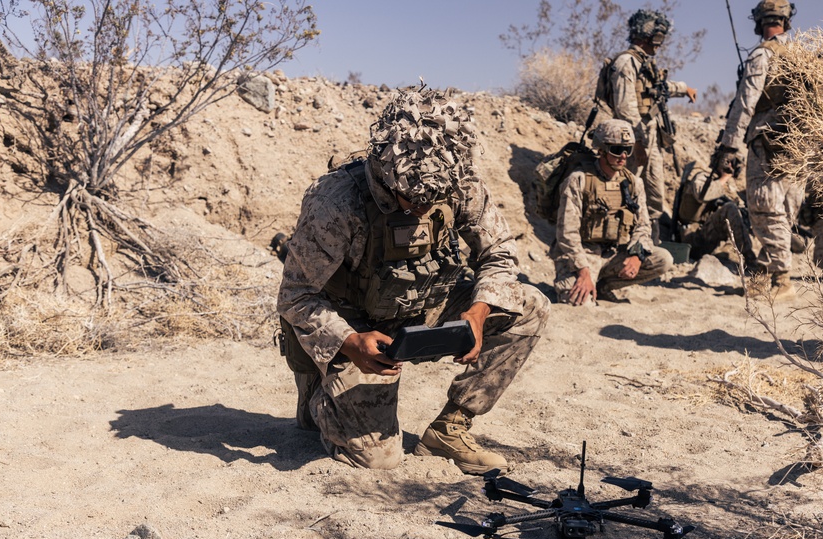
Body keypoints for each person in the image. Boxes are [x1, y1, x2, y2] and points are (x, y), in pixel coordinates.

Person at [276, 88, 549, 475]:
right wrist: (350, 342)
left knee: (530, 306)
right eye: (412, 199)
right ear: (387, 176)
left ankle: (450, 427)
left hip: (424, 308)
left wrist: (478, 310)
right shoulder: (337, 201)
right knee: (378, 461)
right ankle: (318, 386)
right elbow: (295, 296)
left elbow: (501, 253)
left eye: (435, 199)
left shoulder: (457, 180)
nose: (423, 208)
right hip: (356, 325)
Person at [712, 0, 804, 300]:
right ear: (786, 20)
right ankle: (766, 276)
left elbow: (745, 103)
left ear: (759, 21)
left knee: (764, 207)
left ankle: (782, 280)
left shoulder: (763, 55)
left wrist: (729, 145)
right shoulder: (801, 54)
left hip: (767, 140)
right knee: (784, 208)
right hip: (799, 144)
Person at [550, 119, 673, 305]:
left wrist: (636, 255)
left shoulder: (633, 183)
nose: (623, 156)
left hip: (615, 253)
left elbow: (643, 226)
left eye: (627, 149)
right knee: (578, 304)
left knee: (663, 259)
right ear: (601, 149)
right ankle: (585, 281)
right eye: (616, 149)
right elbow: (567, 233)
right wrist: (583, 271)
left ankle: (604, 286)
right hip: (583, 255)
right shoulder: (578, 180)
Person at [605, 9, 697, 237]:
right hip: (631, 142)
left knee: (654, 194)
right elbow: (625, 109)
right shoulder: (626, 62)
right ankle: (622, 242)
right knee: (626, 191)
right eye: (658, 37)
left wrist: (684, 88)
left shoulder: (644, 64)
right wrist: (636, 144)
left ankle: (650, 244)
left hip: (649, 140)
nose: (660, 43)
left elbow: (658, 88)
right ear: (646, 35)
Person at [673, 161, 755, 265]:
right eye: (728, 162)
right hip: (691, 239)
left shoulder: (725, 182)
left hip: (706, 237)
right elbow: (701, 195)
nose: (731, 166)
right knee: (729, 209)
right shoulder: (702, 176)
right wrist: (724, 178)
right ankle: (750, 259)